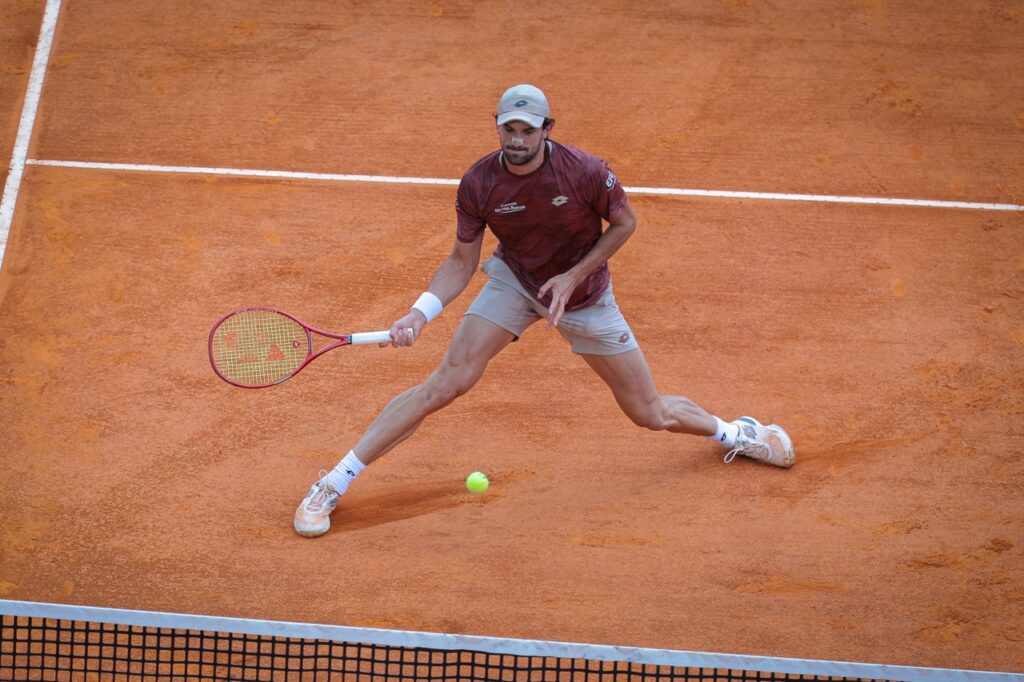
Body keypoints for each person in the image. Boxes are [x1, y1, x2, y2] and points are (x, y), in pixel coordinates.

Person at [293, 84, 795, 537]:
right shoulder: (479, 183)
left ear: (547, 129)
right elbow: (461, 262)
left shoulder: (585, 171)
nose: (517, 140)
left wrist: (573, 276)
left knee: (650, 413)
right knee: (443, 385)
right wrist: (418, 314)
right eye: (508, 129)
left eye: (527, 131)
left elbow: (625, 223)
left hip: (585, 297)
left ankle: (738, 433)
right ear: (497, 126)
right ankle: (333, 483)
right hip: (515, 282)